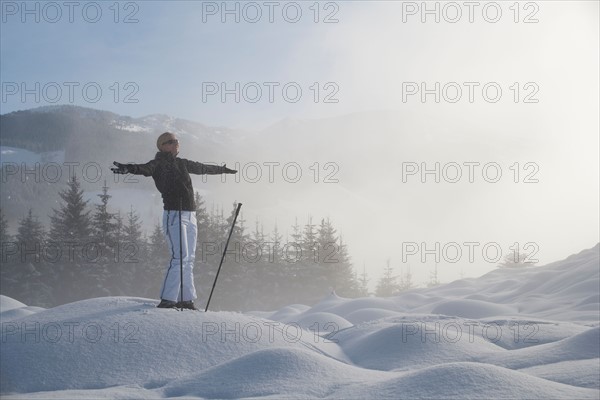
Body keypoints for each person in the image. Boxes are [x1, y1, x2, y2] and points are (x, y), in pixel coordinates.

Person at [111, 132, 237, 309]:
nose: (176, 144)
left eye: (177, 141)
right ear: (162, 146)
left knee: (189, 258)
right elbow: (144, 168)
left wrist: (222, 170)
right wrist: (128, 168)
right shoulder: (158, 163)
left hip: (190, 215)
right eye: (171, 142)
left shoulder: (182, 163)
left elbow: (202, 168)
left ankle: (186, 299)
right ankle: (168, 299)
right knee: (180, 257)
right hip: (174, 215)